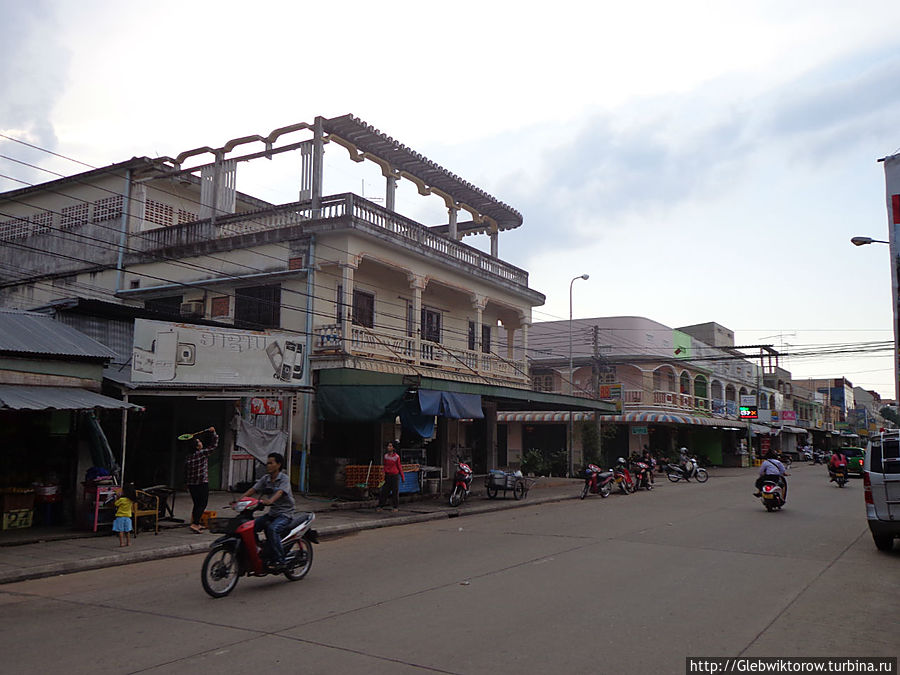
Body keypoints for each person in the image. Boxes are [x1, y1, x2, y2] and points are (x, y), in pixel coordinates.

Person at [240, 452, 295, 569]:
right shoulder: (266, 478)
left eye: (271, 463)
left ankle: (281, 559)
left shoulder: (284, 479)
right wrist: (240, 501)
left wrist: (270, 501)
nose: (268, 465)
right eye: (267, 463)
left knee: (272, 529)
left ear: (278, 465)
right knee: (249, 527)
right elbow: (253, 489)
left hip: (285, 514)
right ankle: (260, 550)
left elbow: (280, 492)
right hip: (273, 513)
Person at [184, 426, 218, 534]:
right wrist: (214, 433)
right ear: (197, 446)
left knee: (196, 504)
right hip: (201, 483)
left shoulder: (188, 457)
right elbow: (214, 446)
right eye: (198, 442)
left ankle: (196, 523)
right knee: (202, 504)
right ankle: (195, 524)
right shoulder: (201, 454)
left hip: (191, 484)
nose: (200, 443)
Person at [377, 440, 404, 512]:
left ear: (393, 448)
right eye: (388, 446)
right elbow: (385, 465)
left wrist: (402, 476)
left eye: (390, 446)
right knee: (384, 491)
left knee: (395, 492)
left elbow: (399, 467)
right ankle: (380, 506)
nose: (388, 447)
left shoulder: (396, 457)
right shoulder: (386, 456)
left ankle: (395, 507)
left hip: (394, 476)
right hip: (387, 475)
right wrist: (383, 473)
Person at [112, 482, 137, 547]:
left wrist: (117, 497)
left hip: (120, 517)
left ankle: (121, 543)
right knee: (127, 531)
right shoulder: (130, 500)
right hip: (128, 517)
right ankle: (128, 542)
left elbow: (116, 504)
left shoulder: (122, 500)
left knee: (121, 531)